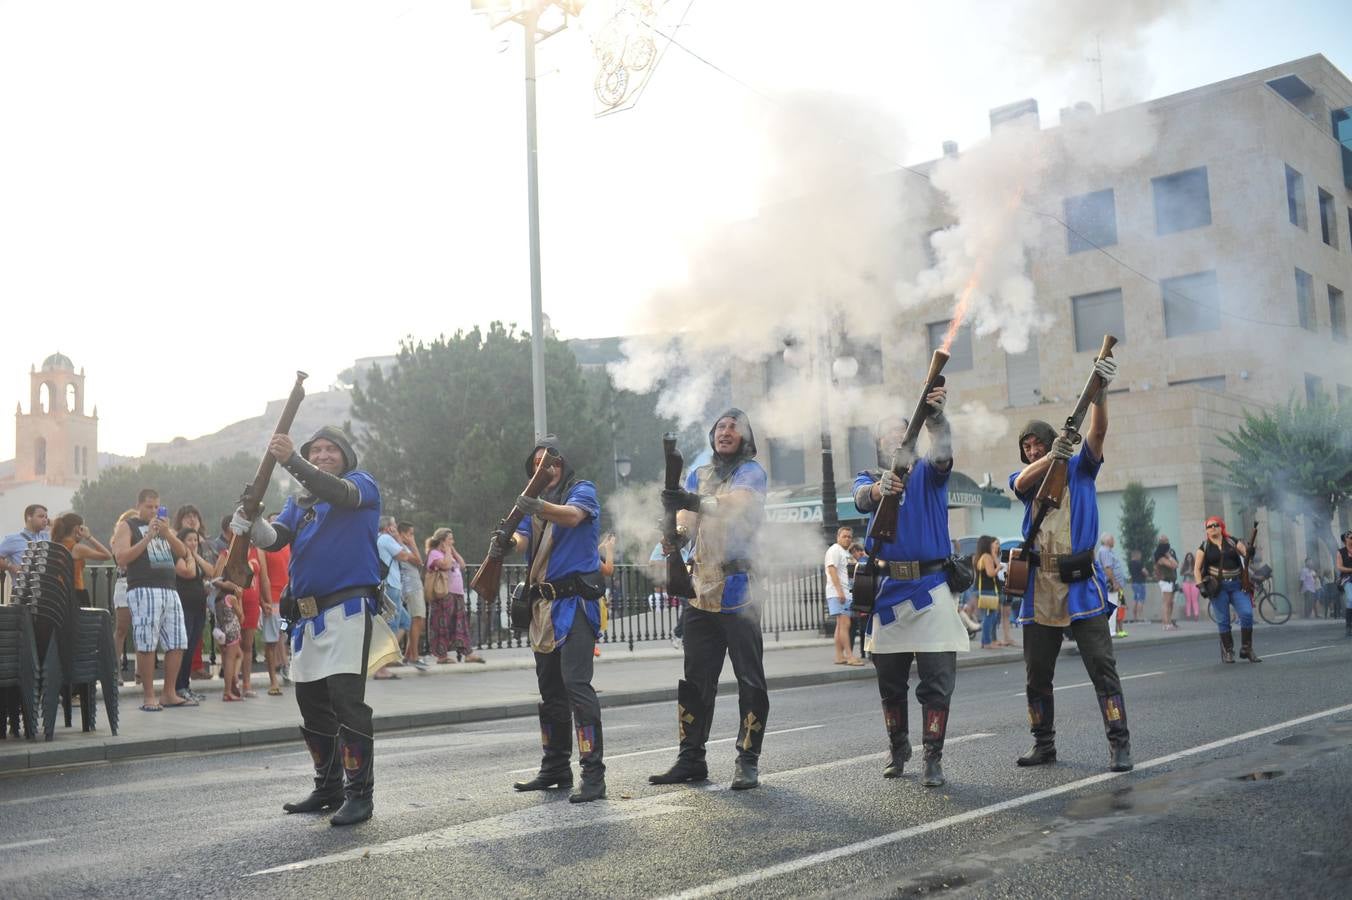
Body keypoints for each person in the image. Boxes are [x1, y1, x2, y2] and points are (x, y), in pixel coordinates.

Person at [234, 425, 384, 826]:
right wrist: (251, 522)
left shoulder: (360, 484)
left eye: (329, 449)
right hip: (308, 617)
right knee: (312, 704)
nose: (321, 455)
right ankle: (328, 786)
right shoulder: (300, 501)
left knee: (346, 702)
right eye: (314, 450)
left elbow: (340, 494)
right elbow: (276, 538)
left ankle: (359, 794)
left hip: (348, 608)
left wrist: (293, 461)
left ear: (345, 455)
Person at [1009, 355, 1132, 774]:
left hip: (1080, 582)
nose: (1031, 449)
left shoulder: (1081, 470)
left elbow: (1098, 430)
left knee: (1103, 670)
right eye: (1026, 446)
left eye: (1037, 443)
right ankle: (1044, 745)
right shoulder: (1025, 479)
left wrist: (1101, 392)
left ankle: (1119, 744)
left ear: (1051, 440)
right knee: (1036, 676)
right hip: (1038, 586)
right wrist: (1051, 457)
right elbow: (1023, 482)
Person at [853, 390, 968, 787]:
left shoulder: (929, 470)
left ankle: (932, 757)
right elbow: (860, 499)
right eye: (885, 433)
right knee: (890, 684)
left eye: (900, 430)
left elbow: (944, 451)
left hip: (932, 586)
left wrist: (937, 419)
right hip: (888, 590)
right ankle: (898, 748)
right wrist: (878, 490)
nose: (893, 437)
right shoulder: (869, 478)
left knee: (936, 681)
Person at [650, 409, 769, 790]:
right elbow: (687, 522)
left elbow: (736, 505)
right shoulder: (699, 474)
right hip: (701, 588)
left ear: (746, 438)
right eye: (720, 426)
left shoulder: (751, 472)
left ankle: (747, 760)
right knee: (696, 681)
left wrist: (691, 500)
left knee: (750, 680)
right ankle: (691, 759)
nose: (726, 431)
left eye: (734, 426)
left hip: (739, 588)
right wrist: (675, 534)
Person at [496, 435, 607, 803]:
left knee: (577, 687)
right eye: (539, 462)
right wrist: (505, 541)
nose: (546, 467)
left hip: (574, 604)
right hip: (543, 608)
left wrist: (537, 504)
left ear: (564, 464)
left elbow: (573, 517)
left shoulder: (582, 490)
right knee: (550, 694)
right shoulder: (534, 508)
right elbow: (524, 541)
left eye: (553, 460)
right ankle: (556, 767)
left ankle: (593, 774)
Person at [110, 489, 195, 711]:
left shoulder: (166, 529)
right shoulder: (127, 526)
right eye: (149, 506)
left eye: (157, 506)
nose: (154, 511)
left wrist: (167, 534)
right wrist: (147, 537)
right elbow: (122, 558)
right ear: (139, 505)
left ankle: (168, 693)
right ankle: (149, 696)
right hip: (143, 588)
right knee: (147, 642)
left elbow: (184, 553)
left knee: (178, 641)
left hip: (169, 589)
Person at [1192, 516, 1261, 664]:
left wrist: (1250, 551)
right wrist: (1201, 585)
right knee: (1223, 621)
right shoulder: (1203, 547)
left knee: (1247, 614)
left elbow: (1246, 555)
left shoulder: (1232, 541)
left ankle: (1247, 648)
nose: (1212, 528)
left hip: (1237, 585)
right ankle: (1228, 651)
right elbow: (1197, 569)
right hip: (1218, 588)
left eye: (1215, 525)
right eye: (1209, 526)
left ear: (1221, 526)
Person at [424, 529, 482, 664]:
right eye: (450, 539)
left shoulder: (449, 553)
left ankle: (467, 653)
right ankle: (441, 656)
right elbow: (446, 565)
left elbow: (462, 564)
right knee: (442, 624)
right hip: (443, 594)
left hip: (457, 594)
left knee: (460, 624)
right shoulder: (434, 553)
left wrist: (452, 550)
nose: (453, 541)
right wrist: (448, 551)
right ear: (443, 540)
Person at [171, 528, 214, 703]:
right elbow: (188, 573)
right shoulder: (178, 557)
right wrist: (189, 556)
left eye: (195, 540)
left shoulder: (195, 557)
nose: (193, 543)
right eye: (189, 540)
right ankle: (178, 686)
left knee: (192, 645)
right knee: (184, 645)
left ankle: (186, 685)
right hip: (184, 605)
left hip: (199, 606)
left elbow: (211, 571)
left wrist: (195, 556)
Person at [375, 516, 420, 675]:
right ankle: (381, 666)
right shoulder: (386, 538)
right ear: (388, 527)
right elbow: (404, 556)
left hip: (393, 586)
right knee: (392, 626)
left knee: (405, 622)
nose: (396, 528)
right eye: (394, 525)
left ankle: (390, 657)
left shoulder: (383, 538)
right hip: (390, 585)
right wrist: (397, 540)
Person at [50, 513, 112, 607]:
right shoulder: (77, 548)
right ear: (76, 529)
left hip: (58, 593)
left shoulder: (55, 545)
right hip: (76, 592)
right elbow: (107, 555)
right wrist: (89, 537)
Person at [825, 526, 863, 665]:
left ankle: (839, 656)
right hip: (839, 593)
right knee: (845, 624)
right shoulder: (835, 550)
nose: (847, 539)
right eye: (844, 536)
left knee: (840, 625)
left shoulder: (844, 552)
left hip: (844, 593)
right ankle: (849, 655)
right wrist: (840, 591)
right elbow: (831, 570)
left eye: (849, 537)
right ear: (838, 537)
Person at [261, 525, 292, 691]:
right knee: (272, 639)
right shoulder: (264, 548)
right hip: (272, 599)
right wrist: (264, 600)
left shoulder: (288, 545)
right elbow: (263, 575)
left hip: (286, 599)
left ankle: (285, 665)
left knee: (283, 633)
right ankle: (273, 679)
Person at [396, 522, 430, 667]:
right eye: (410, 534)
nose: (412, 537)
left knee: (417, 621)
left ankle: (409, 655)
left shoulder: (403, 547)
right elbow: (419, 561)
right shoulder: (400, 546)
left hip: (414, 586)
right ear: (402, 534)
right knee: (417, 619)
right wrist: (413, 543)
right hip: (411, 588)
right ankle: (413, 657)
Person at [0, 504, 51, 575]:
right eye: (41, 516)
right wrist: (11, 567)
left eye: (46, 517)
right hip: (23, 585)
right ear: (29, 517)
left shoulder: (47, 537)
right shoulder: (13, 539)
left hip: (46, 584)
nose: (45, 520)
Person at [974, 536, 1002, 650]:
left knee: (990, 615)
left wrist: (994, 556)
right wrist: (998, 568)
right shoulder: (986, 557)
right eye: (992, 543)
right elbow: (990, 573)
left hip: (984, 590)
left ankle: (986, 641)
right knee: (989, 616)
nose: (994, 545)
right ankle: (987, 642)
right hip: (987, 590)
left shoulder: (982, 556)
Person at [1153, 535, 1179, 631]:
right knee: (1166, 603)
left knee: (1170, 603)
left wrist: (1170, 557)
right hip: (1165, 581)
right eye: (1165, 542)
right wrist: (1169, 557)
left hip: (1171, 581)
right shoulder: (1160, 558)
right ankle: (1165, 624)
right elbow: (1174, 566)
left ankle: (1169, 621)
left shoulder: (1166, 556)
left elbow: (1176, 564)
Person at [1333, 531, 1352, 637]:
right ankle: (1348, 626)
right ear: (1345, 540)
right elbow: (1339, 567)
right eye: (1350, 537)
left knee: (1351, 602)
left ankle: (1349, 626)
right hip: (1347, 578)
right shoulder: (1341, 552)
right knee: (1351, 599)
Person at [1179, 550, 1200, 622]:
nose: (1189, 559)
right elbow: (1181, 573)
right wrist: (1186, 572)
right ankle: (1188, 615)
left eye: (1190, 557)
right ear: (1186, 558)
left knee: (1195, 599)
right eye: (1188, 557)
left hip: (1194, 583)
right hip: (1186, 583)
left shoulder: (1196, 565)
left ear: (1192, 558)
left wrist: (1193, 573)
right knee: (1188, 600)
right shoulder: (1184, 565)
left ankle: (1196, 614)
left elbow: (1199, 573)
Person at [1127, 549, 1147, 623]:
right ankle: (1140, 617)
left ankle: (1135, 617)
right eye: (1140, 555)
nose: (1140, 557)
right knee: (1141, 600)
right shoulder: (1139, 563)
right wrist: (1147, 574)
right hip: (1140, 583)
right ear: (1137, 555)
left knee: (1136, 600)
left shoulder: (1130, 564)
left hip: (1134, 583)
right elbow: (1144, 571)